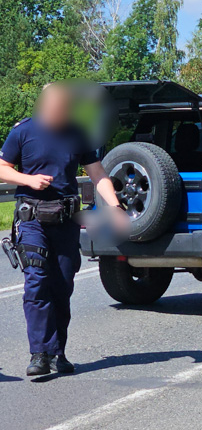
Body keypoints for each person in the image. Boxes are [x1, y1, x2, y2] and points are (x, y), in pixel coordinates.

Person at [0, 84, 125, 376]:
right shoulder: (23, 132)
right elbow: (2, 166)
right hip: (32, 219)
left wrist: (116, 207)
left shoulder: (76, 133)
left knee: (62, 285)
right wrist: (27, 180)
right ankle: (39, 353)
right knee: (36, 281)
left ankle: (58, 352)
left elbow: (98, 174)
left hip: (66, 220)